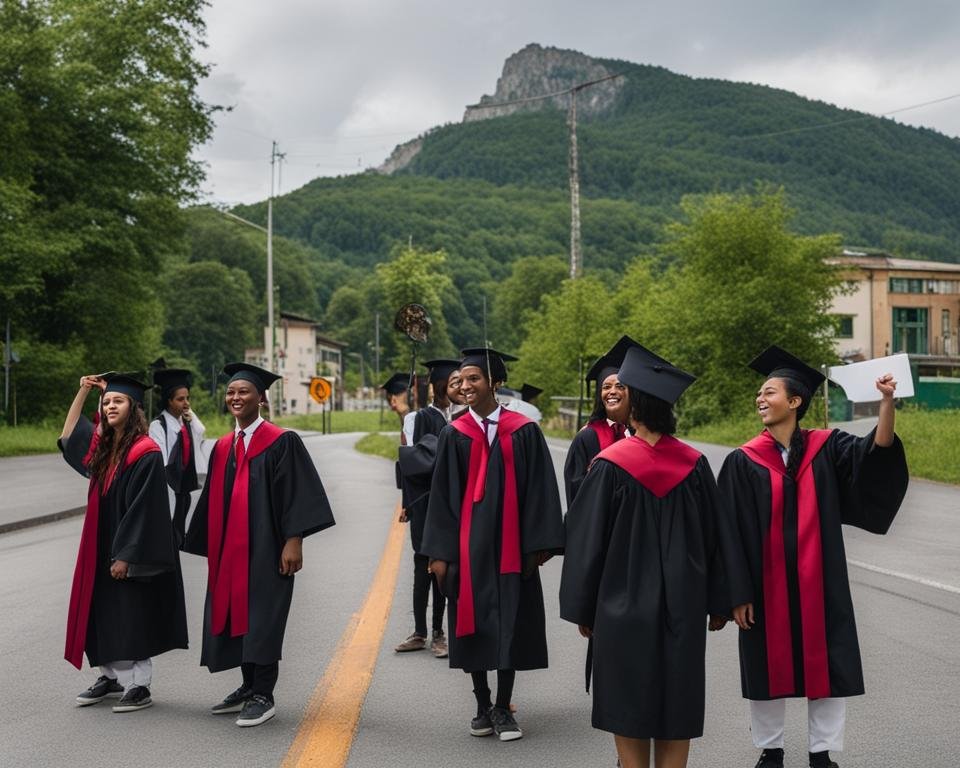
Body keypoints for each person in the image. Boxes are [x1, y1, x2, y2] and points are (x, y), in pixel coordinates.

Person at [560, 345, 751, 768]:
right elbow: (719, 538)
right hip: (682, 607)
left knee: (628, 700)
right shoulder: (694, 464)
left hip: (620, 606)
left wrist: (584, 608)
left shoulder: (608, 465)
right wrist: (719, 600)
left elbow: (586, 539)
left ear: (638, 403)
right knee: (676, 702)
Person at [717, 346, 908, 768]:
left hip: (820, 583)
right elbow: (727, 532)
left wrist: (886, 404)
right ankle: (771, 751)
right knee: (766, 665)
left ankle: (822, 753)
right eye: (759, 395)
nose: (760, 400)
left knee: (829, 667)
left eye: (769, 392)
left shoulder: (828, 447)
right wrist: (737, 593)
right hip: (764, 587)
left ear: (796, 401)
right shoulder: (742, 461)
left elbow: (875, 455)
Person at [422, 347, 564, 742]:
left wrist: (540, 544)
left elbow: (541, 491)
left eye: (475, 379)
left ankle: (504, 706)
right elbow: (443, 498)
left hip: (512, 547)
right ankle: (481, 704)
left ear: (495, 383)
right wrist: (439, 553)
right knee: (473, 626)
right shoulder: (454, 434)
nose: (466, 386)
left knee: (509, 625)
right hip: (468, 551)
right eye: (462, 380)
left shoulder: (524, 431)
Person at [182, 362, 335, 728]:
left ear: (261, 399)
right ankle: (248, 686)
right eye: (231, 392)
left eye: (244, 391)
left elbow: (296, 495)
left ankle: (264, 694)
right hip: (230, 551)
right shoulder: (222, 447)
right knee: (237, 615)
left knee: (263, 618)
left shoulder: (282, 441)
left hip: (268, 547)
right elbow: (213, 499)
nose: (236, 397)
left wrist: (293, 541)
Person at [60, 372, 188, 713]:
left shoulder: (145, 451)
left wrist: (126, 555)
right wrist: (84, 391)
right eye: (107, 402)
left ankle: (139, 683)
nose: (111, 405)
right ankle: (112, 676)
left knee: (132, 611)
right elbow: (68, 436)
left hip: (127, 549)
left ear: (133, 408)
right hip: (99, 544)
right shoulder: (106, 450)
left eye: (118, 400)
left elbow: (145, 509)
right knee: (102, 610)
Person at [394, 359, 462, 657]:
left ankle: (439, 631)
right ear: (438, 386)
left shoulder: (465, 416)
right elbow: (408, 463)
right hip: (425, 503)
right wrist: (406, 502)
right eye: (454, 382)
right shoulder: (417, 418)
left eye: (462, 381)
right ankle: (422, 631)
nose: (459, 387)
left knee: (446, 567)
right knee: (423, 566)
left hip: (454, 504)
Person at [563, 336, 637, 507]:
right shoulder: (587, 437)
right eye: (606, 387)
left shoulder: (639, 434)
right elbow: (575, 491)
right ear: (599, 395)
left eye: (620, 386)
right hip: (598, 524)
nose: (612, 391)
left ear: (631, 393)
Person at [149, 368, 207, 543]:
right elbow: (161, 460)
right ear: (168, 401)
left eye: (187, 398)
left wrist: (191, 415)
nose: (186, 403)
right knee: (170, 537)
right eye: (180, 399)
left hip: (184, 488)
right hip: (170, 488)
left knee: (179, 535)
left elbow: (200, 432)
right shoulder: (158, 426)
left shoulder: (185, 421)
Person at [381, 372, 412, 440]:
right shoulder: (412, 421)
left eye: (389, 400)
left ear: (393, 400)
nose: (391, 406)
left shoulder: (412, 425)